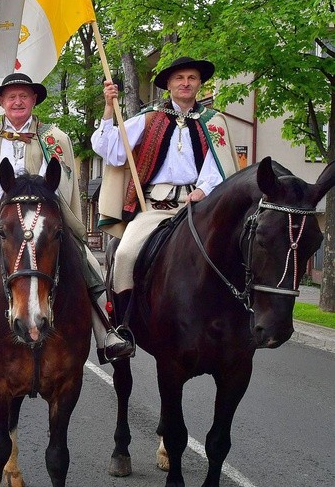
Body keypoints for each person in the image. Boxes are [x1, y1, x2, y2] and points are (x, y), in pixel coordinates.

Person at [0, 73, 134, 368]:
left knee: (86, 260)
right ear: (1, 102)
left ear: (34, 100)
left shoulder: (54, 137)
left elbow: (59, 184)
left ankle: (106, 333)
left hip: (41, 222)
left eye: (24, 96)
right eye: (11, 97)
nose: (18, 101)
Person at [91, 56, 238, 320]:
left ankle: (244, 318)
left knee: (236, 252)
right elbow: (111, 151)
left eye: (192, 78)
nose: (186, 83)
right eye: (179, 78)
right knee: (124, 254)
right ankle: (121, 326)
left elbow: (221, 165)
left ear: (200, 84)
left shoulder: (214, 122)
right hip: (155, 208)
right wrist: (109, 109)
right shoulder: (148, 119)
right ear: (168, 85)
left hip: (200, 206)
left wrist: (203, 190)